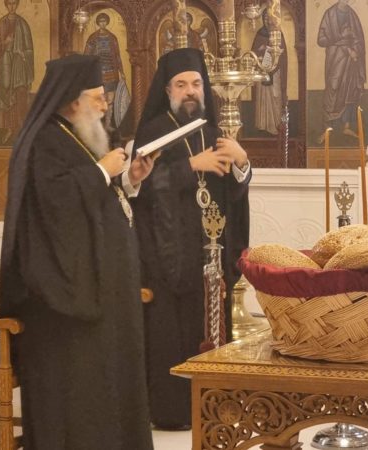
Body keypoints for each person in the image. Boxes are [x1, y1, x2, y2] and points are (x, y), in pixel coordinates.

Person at [0, 54, 155, 450]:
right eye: (98, 97)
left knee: (109, 383)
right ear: (72, 100)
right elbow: (55, 204)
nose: (105, 105)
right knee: (78, 394)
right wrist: (101, 170)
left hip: (102, 289)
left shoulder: (76, 135)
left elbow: (96, 203)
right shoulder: (43, 141)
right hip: (63, 299)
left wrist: (130, 180)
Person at [132, 47, 251, 430]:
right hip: (166, 259)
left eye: (196, 84)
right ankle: (171, 413)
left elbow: (233, 196)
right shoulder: (153, 132)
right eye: (181, 84)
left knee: (210, 329)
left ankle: (212, 409)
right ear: (167, 90)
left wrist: (242, 163)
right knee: (169, 335)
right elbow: (141, 189)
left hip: (209, 255)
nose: (190, 91)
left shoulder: (214, 134)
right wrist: (190, 166)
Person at [317, 0, 366, 142]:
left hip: (350, 60)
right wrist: (341, 40)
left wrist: (354, 50)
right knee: (332, 89)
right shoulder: (329, 14)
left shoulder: (352, 15)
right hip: (335, 59)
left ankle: (346, 126)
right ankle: (327, 128)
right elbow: (321, 40)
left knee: (350, 90)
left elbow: (359, 39)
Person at [0, 0, 34, 144]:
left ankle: (21, 128)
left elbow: (30, 49)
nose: (12, 7)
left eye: (14, 3)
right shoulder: (1, 23)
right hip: (5, 63)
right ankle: (9, 128)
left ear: (17, 4)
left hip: (19, 64)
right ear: (5, 5)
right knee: (6, 92)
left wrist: (23, 54)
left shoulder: (23, 24)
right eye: (9, 4)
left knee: (20, 93)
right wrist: (5, 43)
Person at [84, 13, 126, 131]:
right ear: (98, 23)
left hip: (111, 71)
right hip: (98, 72)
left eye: (104, 21)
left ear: (107, 22)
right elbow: (86, 55)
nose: (102, 24)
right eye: (100, 21)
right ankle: (98, 125)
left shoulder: (112, 38)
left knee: (110, 99)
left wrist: (121, 71)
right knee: (99, 98)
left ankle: (108, 124)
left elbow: (117, 55)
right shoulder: (93, 38)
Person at [252, 8, 287, 135]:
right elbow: (253, 54)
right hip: (262, 72)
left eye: (269, 17)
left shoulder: (278, 33)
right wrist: (261, 51)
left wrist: (274, 54)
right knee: (263, 99)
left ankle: (275, 125)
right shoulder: (259, 34)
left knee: (275, 97)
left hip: (275, 73)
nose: (267, 20)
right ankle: (263, 125)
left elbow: (282, 56)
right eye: (265, 17)